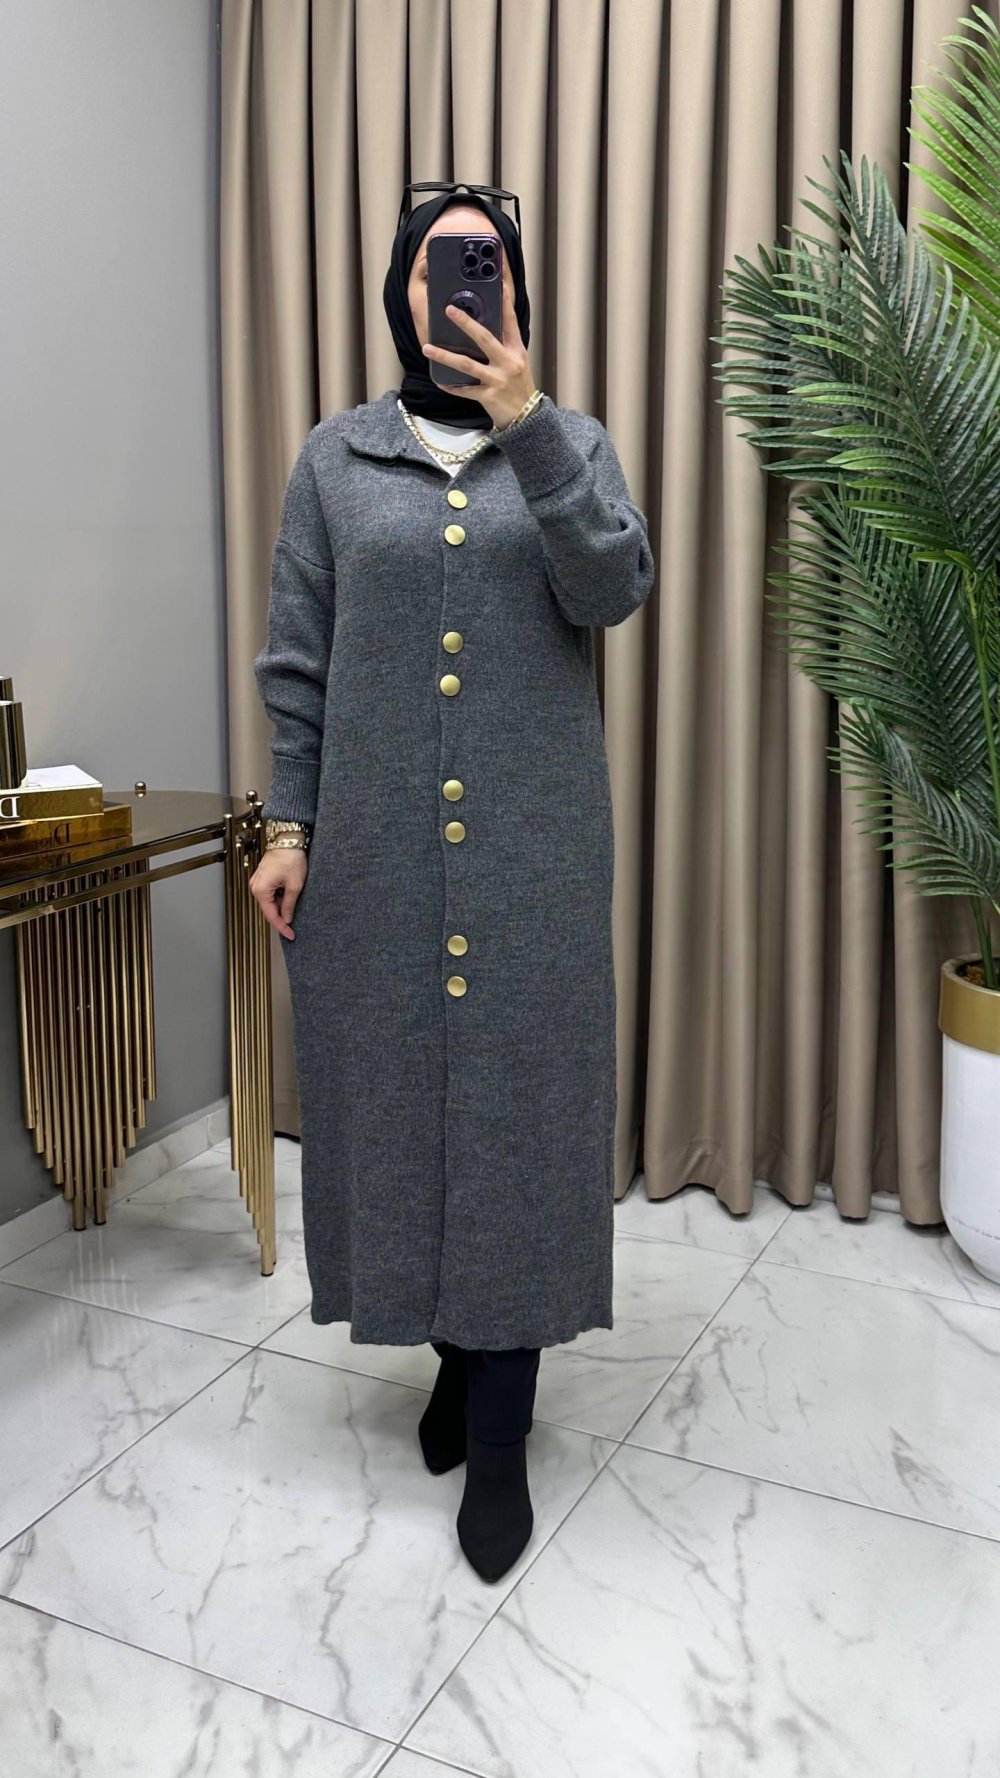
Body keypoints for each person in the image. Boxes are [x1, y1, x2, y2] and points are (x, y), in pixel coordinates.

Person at [250, 183, 655, 1584]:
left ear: (515, 292)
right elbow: (297, 658)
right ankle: (450, 1354)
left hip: (536, 865)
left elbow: (613, 589)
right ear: (401, 294)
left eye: (487, 265)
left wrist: (530, 424)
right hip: (378, 859)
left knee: (519, 1129)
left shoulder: (572, 445)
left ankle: (498, 1436)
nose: (463, 287)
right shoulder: (336, 459)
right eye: (440, 266)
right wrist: (290, 825)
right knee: (405, 1118)